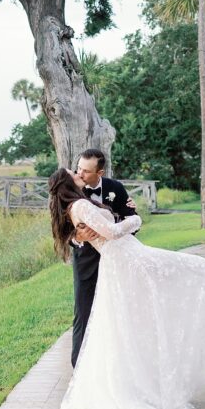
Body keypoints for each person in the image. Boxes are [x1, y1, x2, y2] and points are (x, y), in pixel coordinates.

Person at [48, 166, 205, 409]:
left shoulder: (79, 204)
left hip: (126, 258)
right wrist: (134, 220)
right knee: (197, 268)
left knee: (160, 302)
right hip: (129, 259)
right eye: (74, 173)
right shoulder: (80, 205)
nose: (79, 174)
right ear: (68, 182)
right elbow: (111, 233)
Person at [67, 149, 138, 367]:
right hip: (86, 262)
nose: (80, 174)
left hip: (116, 259)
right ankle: (78, 366)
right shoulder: (73, 192)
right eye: (78, 168)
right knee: (83, 312)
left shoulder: (114, 188)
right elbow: (62, 233)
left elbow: (130, 220)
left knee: (117, 312)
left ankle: (114, 366)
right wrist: (77, 237)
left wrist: (118, 231)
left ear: (100, 172)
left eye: (86, 171)